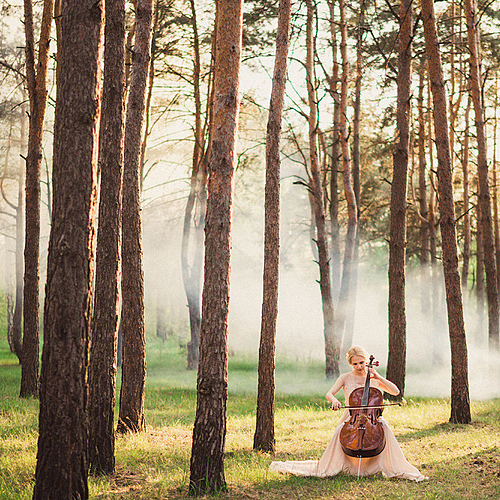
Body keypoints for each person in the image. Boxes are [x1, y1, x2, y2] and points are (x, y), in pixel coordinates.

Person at [269, 346, 427, 481]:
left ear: (367, 361)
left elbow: (395, 391)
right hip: (351, 418)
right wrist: (334, 401)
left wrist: (378, 376)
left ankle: (383, 465)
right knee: (340, 431)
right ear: (351, 364)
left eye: (362, 363)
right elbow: (329, 394)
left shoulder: (373, 378)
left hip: (373, 419)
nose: (359, 366)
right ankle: (343, 465)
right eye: (355, 364)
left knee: (384, 426)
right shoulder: (345, 378)